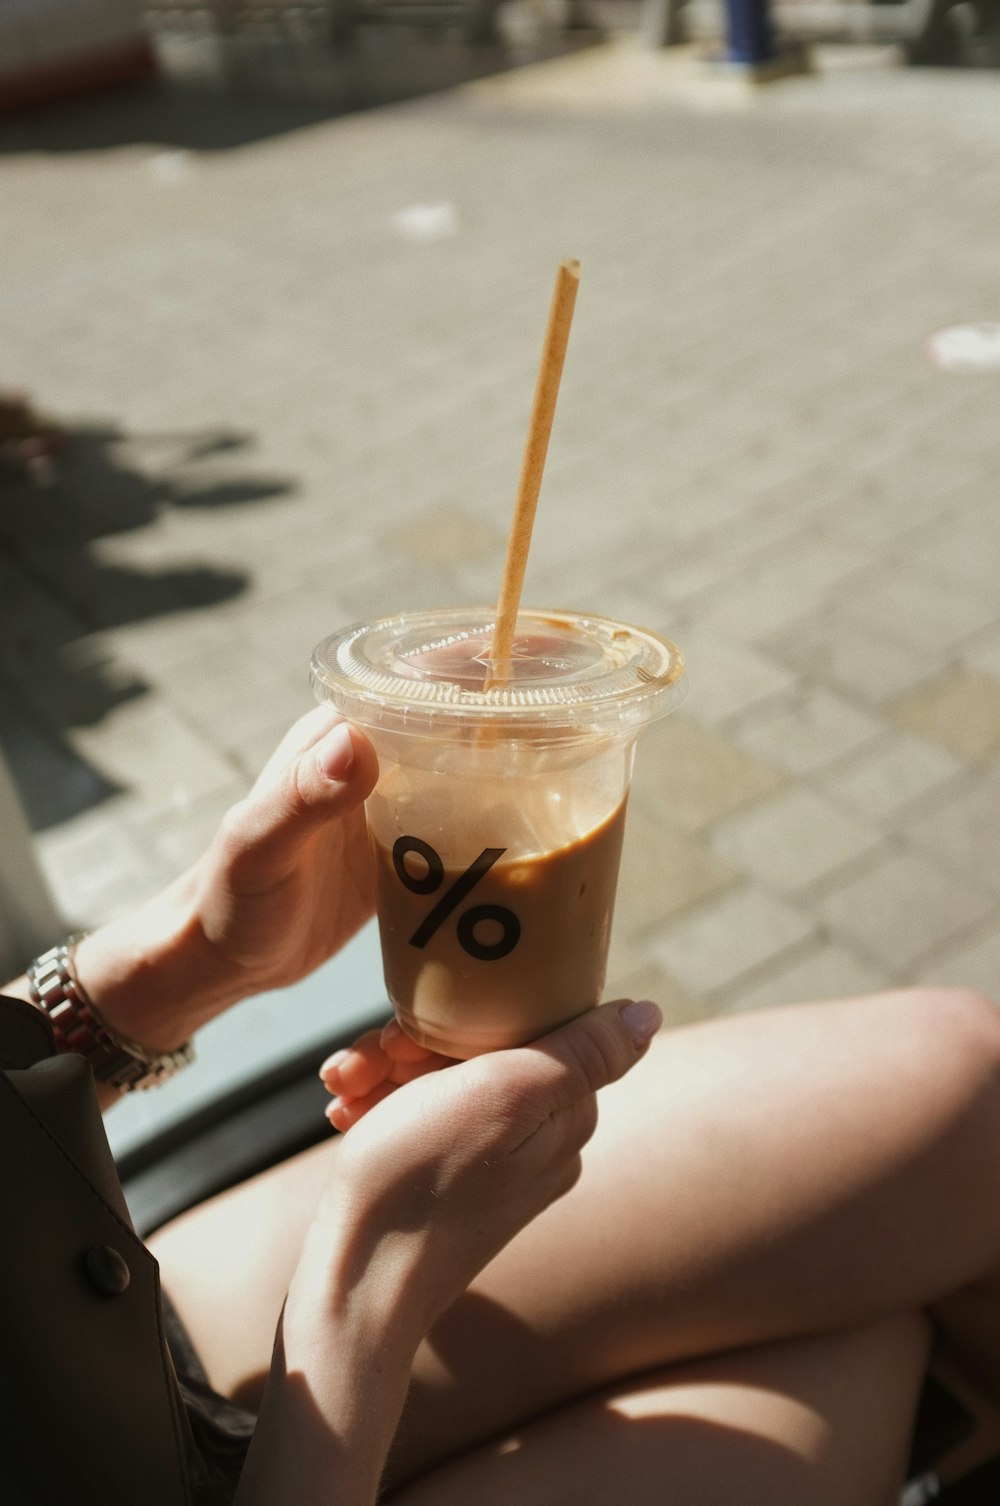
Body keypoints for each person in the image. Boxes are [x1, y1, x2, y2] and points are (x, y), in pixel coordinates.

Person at [5, 703, 1000, 1504]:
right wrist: (363, 1301)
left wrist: (182, 962)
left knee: (965, 1097)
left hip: (100, 1321)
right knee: (875, 1329)